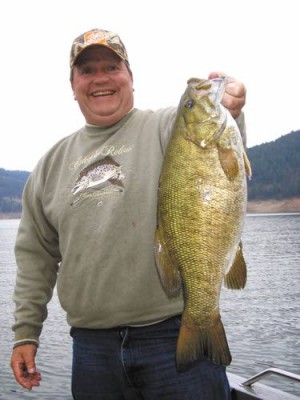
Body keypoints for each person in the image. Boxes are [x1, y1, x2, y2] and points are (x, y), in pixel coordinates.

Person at [10, 28, 247, 399]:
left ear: (130, 77)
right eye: (87, 71)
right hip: (91, 349)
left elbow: (219, 165)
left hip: (171, 334)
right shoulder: (50, 165)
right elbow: (35, 256)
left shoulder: (169, 127)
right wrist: (26, 333)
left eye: (112, 66)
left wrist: (230, 108)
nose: (100, 78)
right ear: (72, 85)